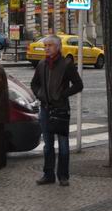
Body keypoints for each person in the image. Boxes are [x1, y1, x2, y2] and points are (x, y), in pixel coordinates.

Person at [30, 35, 83, 186]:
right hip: (45, 109)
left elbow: (78, 85)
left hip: (61, 110)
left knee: (63, 145)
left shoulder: (66, 64)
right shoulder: (42, 64)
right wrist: (40, 94)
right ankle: (48, 174)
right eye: (45, 45)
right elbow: (34, 84)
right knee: (48, 144)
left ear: (58, 47)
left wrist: (62, 95)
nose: (47, 48)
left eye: (50, 45)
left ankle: (63, 176)